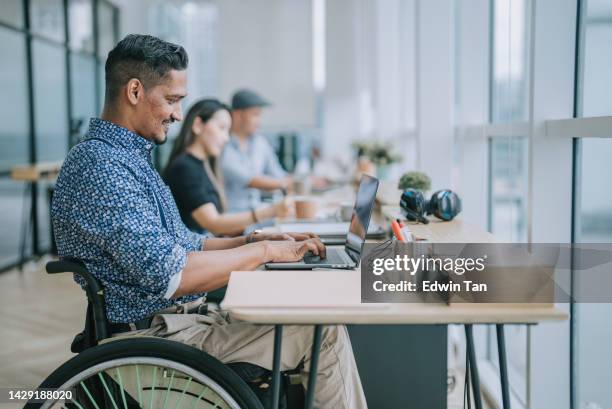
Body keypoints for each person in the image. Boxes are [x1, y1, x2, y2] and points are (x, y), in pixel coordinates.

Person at [51, 34, 367, 409]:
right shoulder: (102, 167)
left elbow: (189, 243)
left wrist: (256, 241)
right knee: (323, 332)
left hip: (178, 324)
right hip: (156, 340)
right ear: (134, 91)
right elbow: (173, 275)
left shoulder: (128, 159)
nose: (177, 114)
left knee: (309, 320)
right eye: (171, 100)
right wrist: (266, 250)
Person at [164, 99, 292, 236]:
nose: (226, 138)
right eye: (221, 128)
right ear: (198, 125)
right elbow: (213, 224)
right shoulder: (185, 168)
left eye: (228, 132)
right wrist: (269, 212)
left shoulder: (204, 164)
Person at [220, 89, 293, 212]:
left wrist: (299, 180)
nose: (260, 121)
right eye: (255, 115)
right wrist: (292, 183)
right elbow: (251, 180)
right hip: (232, 217)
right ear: (238, 115)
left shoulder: (260, 142)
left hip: (257, 210)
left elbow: (278, 174)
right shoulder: (223, 145)